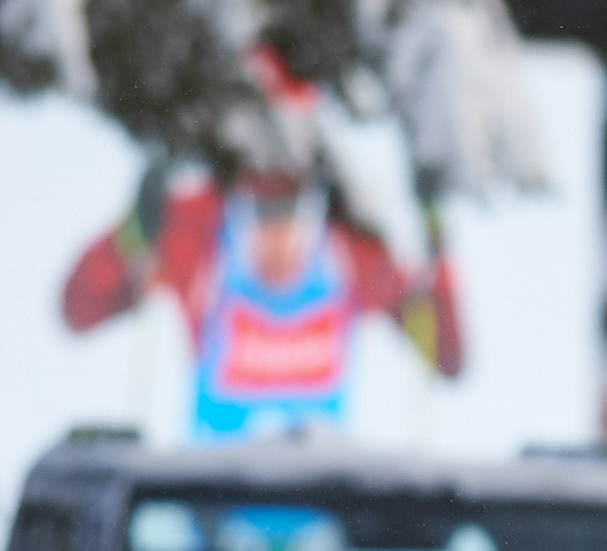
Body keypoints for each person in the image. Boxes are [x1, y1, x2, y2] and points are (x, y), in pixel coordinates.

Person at [59, 162, 463, 441]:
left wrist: (435, 244)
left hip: (317, 514)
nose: (275, 243)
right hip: (210, 512)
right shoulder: (199, 241)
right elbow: (79, 310)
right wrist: (133, 231)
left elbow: (447, 357)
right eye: (259, 219)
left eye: (289, 219)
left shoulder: (353, 253)